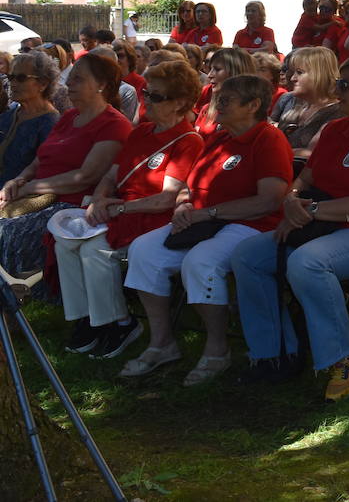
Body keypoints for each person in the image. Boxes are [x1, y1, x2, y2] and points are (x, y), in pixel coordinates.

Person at [231, 55, 349, 401]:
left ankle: (345, 353)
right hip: (324, 225)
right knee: (245, 255)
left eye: (345, 85)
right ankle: (275, 354)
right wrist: (292, 200)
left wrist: (310, 210)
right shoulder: (335, 129)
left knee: (307, 262)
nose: (337, 90)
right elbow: (305, 178)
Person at [123, 74, 292, 385]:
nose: (217, 105)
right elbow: (189, 183)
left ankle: (217, 349)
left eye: (226, 100)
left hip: (250, 225)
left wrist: (209, 213)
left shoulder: (268, 139)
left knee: (201, 261)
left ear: (253, 105)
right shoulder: (219, 138)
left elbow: (269, 200)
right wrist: (185, 206)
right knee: (143, 251)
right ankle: (162, 343)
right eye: (218, 98)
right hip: (202, 221)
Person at [60, 60, 204, 363]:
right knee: (65, 244)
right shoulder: (141, 133)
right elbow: (112, 176)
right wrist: (100, 200)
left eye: (155, 97)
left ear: (180, 103)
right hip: (121, 211)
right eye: (145, 93)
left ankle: (120, 323)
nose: (145, 101)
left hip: (150, 218)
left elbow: (166, 199)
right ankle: (87, 317)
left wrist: (119, 207)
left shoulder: (188, 141)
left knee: (94, 250)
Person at [0, 53, 131, 281]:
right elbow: (40, 159)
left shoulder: (114, 125)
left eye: (78, 78)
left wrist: (30, 187)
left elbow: (85, 177)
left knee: (6, 231)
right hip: (38, 196)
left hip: (70, 205)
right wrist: (17, 180)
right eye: (71, 77)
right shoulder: (70, 117)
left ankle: (18, 293)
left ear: (101, 85)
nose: (68, 82)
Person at [0, 52, 62, 189]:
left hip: (15, 195)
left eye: (21, 78)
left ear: (43, 84)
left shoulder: (50, 123)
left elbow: (44, 170)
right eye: (11, 77)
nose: (13, 83)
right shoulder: (10, 112)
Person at [269, 47, 344, 159]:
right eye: (292, 72)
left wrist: (268, 152)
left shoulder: (337, 112)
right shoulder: (292, 103)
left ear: (320, 74)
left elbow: (313, 153)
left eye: (299, 72)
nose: (292, 78)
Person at [194, 47, 257, 136]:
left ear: (235, 73)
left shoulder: (252, 120)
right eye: (210, 69)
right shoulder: (206, 109)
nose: (209, 75)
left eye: (217, 69)